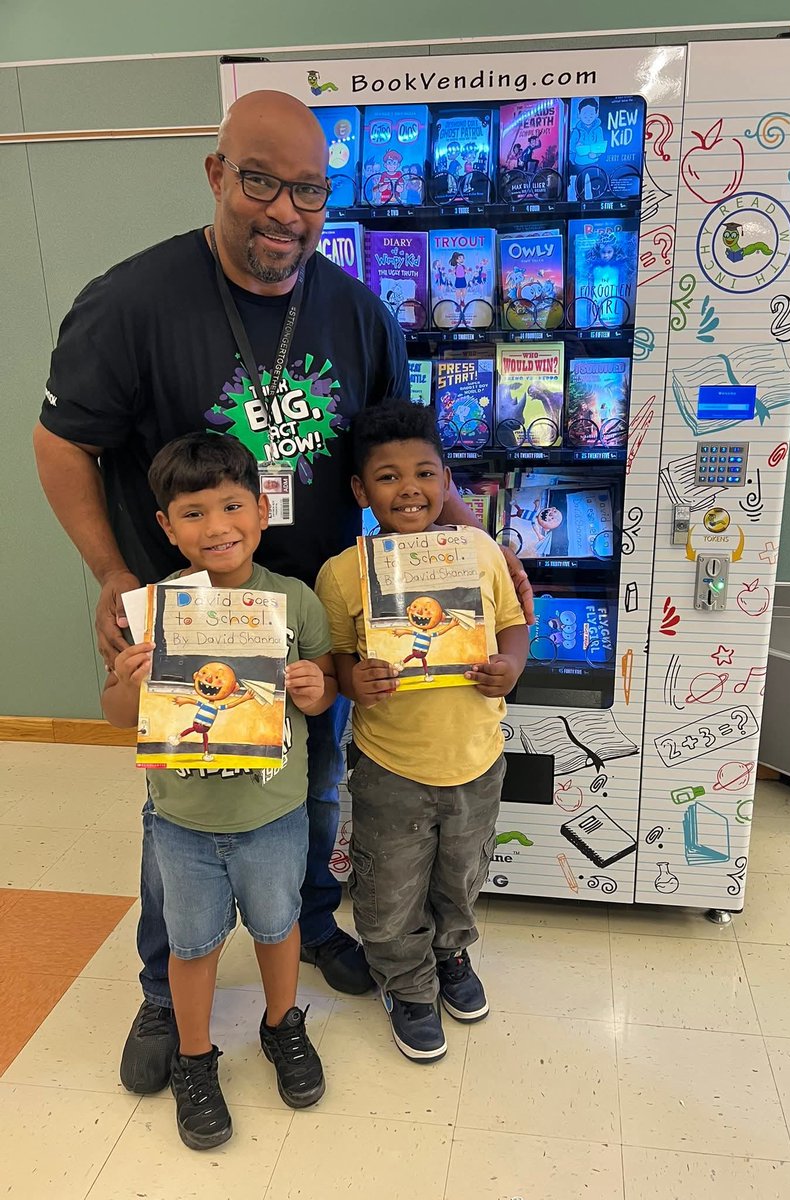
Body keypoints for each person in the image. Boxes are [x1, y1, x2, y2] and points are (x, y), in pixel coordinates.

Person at [33, 89, 533, 1094]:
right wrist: (114, 573)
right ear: (217, 174)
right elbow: (61, 443)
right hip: (195, 622)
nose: (284, 212)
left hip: (323, 617)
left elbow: (401, 452)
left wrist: (475, 538)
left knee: (312, 788)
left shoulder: (358, 312)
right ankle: (160, 988)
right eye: (260, 182)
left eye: (308, 191)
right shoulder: (131, 302)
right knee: (182, 806)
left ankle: (302, 922)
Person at [103, 432, 336, 1149]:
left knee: (278, 925)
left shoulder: (294, 600)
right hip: (183, 820)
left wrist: (315, 687)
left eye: (232, 506)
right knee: (192, 943)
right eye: (193, 513)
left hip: (274, 813)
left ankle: (282, 1025)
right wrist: (131, 683)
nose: (216, 526)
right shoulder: (154, 609)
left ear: (263, 510)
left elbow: (325, 690)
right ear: (166, 527)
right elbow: (114, 713)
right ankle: (194, 1057)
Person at [315, 401, 529, 1062]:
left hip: (477, 760)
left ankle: (451, 955)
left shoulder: (479, 551)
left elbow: (513, 625)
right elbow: (338, 658)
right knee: (388, 887)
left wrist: (511, 667)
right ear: (360, 490)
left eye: (424, 473)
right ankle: (406, 983)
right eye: (388, 477)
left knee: (462, 874)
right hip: (390, 766)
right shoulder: (343, 572)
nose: (409, 489)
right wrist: (355, 681)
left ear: (446, 481)